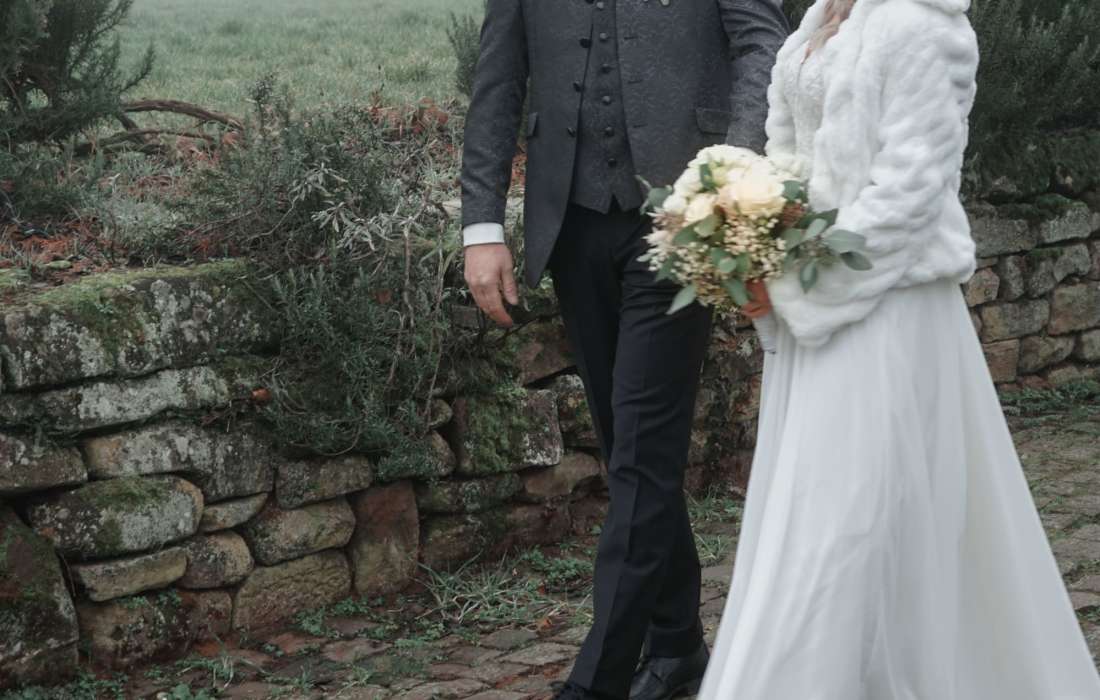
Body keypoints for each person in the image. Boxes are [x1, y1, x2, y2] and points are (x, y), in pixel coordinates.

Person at [702, 0, 1100, 697]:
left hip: (889, 311)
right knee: (814, 510)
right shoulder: (819, 18)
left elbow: (909, 193)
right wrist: (750, 241)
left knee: (852, 522)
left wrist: (798, 281)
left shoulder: (924, 25)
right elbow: (790, 159)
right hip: (815, 315)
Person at [458, 1, 788, 698]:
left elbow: (762, 42)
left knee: (640, 457)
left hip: (682, 223)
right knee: (630, 452)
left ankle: (596, 682)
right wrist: (482, 226)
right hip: (572, 223)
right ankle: (676, 647)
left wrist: (732, 176)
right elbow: (498, 81)